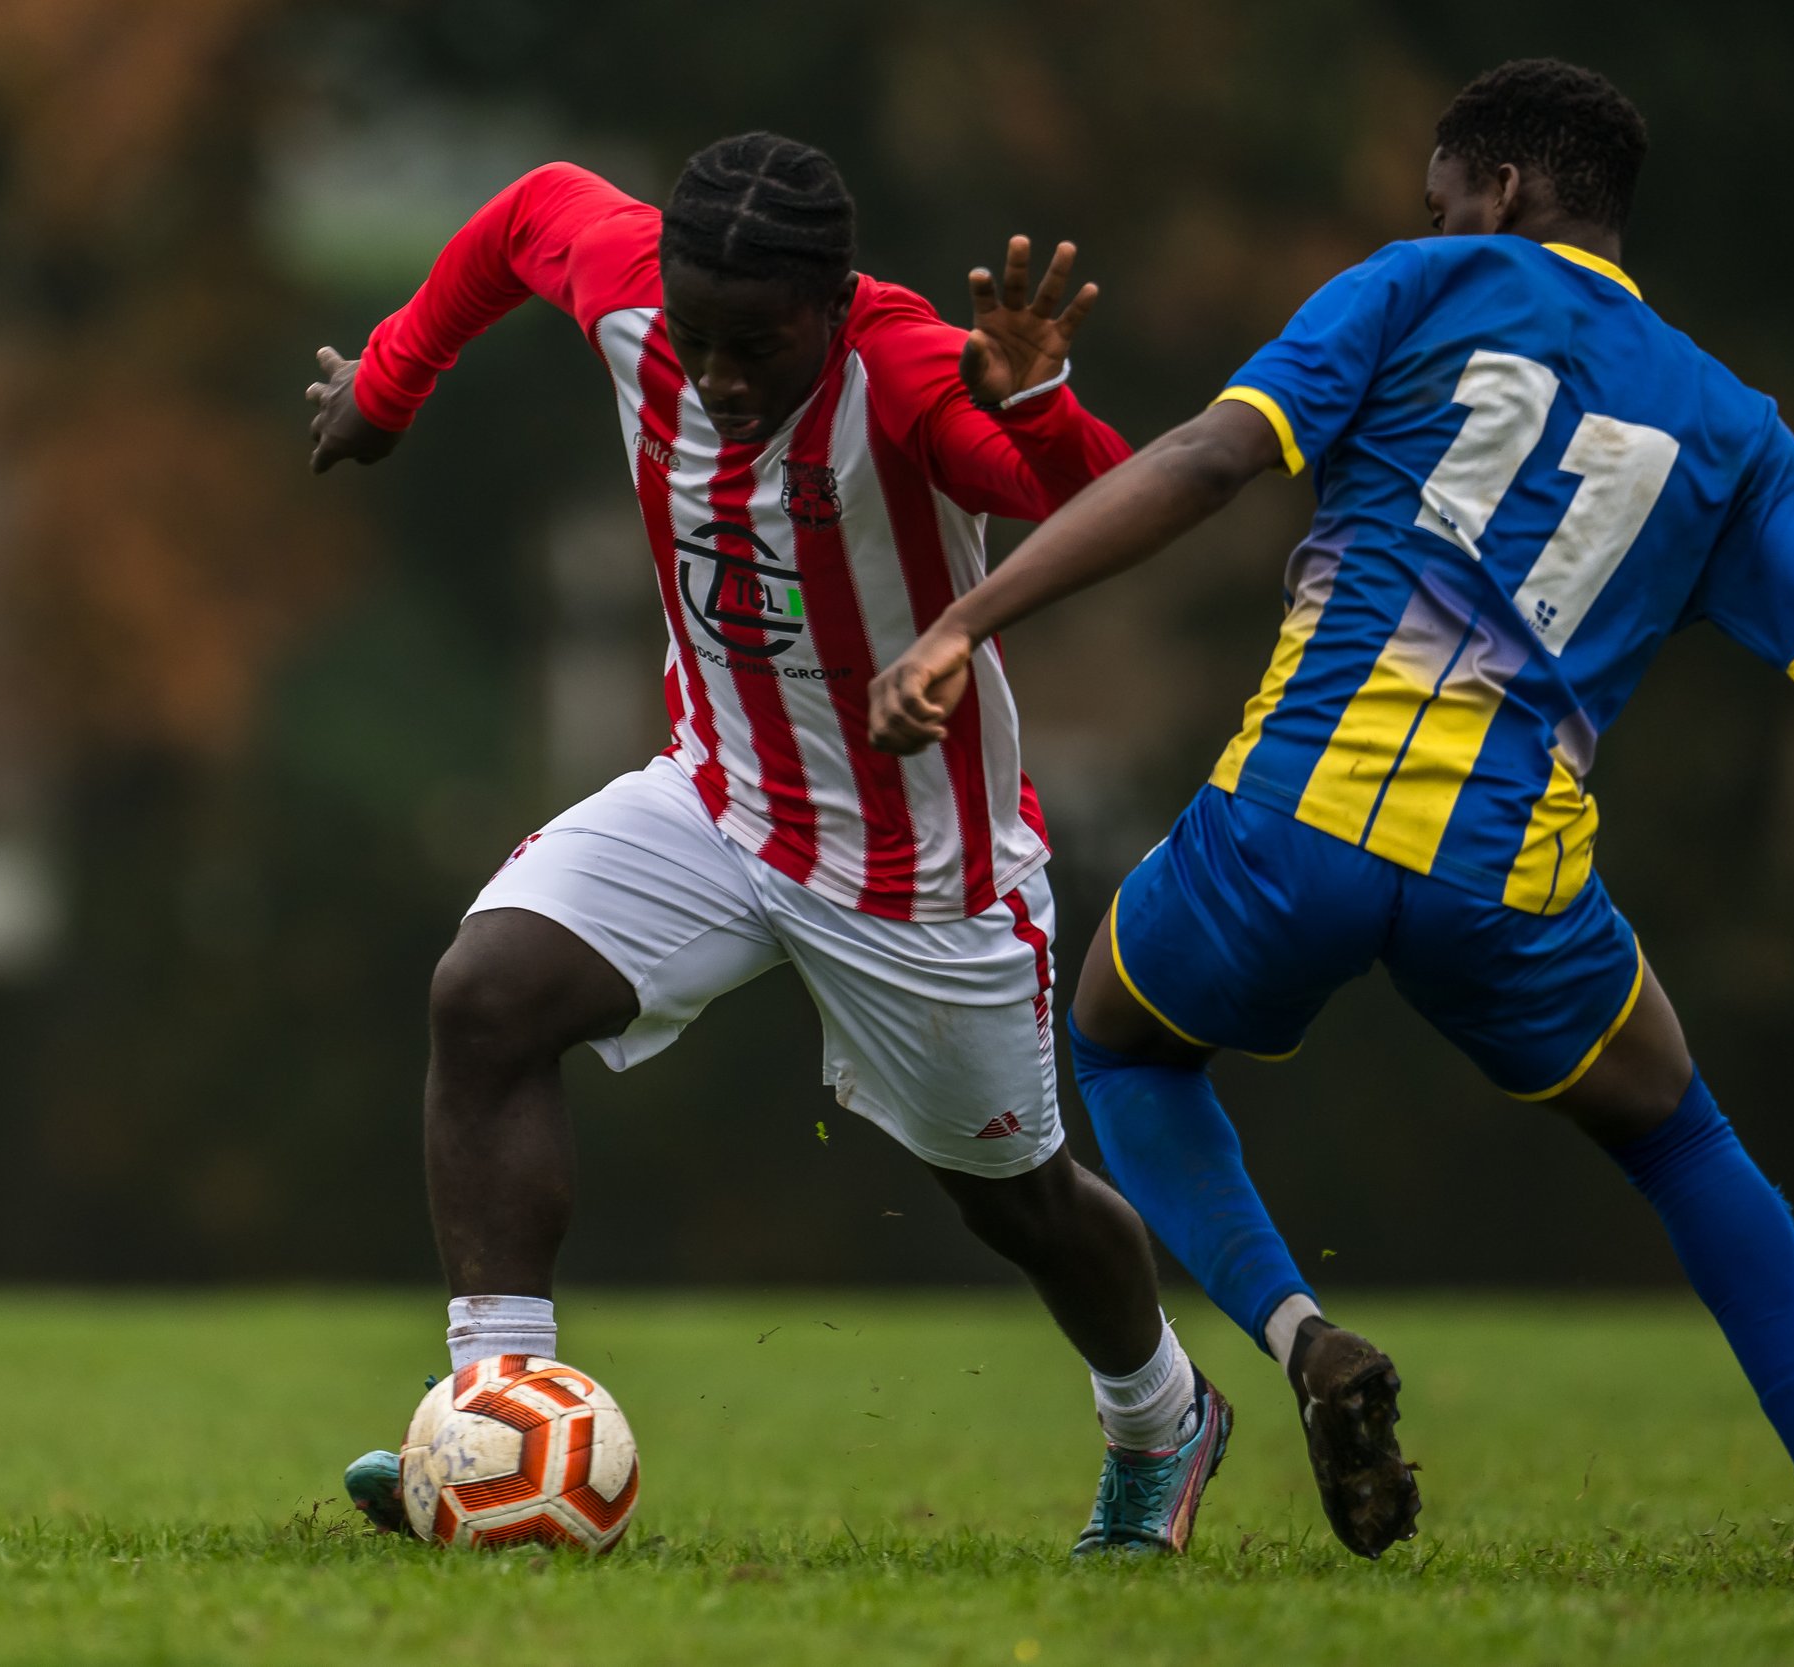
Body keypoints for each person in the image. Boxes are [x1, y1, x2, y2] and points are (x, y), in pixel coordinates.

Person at [866, 60, 1794, 1586]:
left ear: (1492, 194)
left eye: (1439, 195)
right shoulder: (1734, 426)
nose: (1427, 218)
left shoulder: (1419, 284)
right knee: (1687, 1143)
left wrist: (968, 618)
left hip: (1295, 823)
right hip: (1512, 876)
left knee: (1118, 1044)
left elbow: (1206, 461)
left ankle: (1299, 1339)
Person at [306, 133, 1230, 1554]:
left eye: (761, 347)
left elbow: (1086, 498)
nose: (723, 378)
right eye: (699, 339)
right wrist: (387, 384)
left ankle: (1162, 1415)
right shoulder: (625, 280)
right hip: (716, 793)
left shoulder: (911, 369)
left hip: (920, 870)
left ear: (834, 304)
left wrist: (1039, 401)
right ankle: (493, 1409)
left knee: (1016, 1201)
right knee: (485, 997)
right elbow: (524, 213)